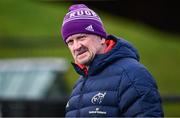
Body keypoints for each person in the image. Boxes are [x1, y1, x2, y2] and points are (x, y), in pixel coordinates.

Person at [61, 4, 164, 117]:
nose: (76, 46)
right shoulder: (79, 85)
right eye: (70, 41)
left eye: (82, 37)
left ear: (101, 38)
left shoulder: (132, 74)